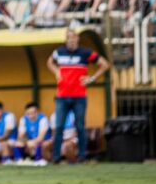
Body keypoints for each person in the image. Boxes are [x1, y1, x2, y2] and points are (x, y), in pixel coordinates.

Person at [47, 29, 110, 163]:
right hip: (62, 96)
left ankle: (82, 156)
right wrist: (56, 72)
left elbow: (104, 64)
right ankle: (56, 158)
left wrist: (92, 79)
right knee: (59, 127)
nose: (71, 40)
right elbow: (49, 62)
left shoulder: (85, 53)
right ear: (66, 40)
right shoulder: (59, 52)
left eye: (73, 37)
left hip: (79, 96)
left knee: (80, 127)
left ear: (77, 39)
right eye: (68, 37)